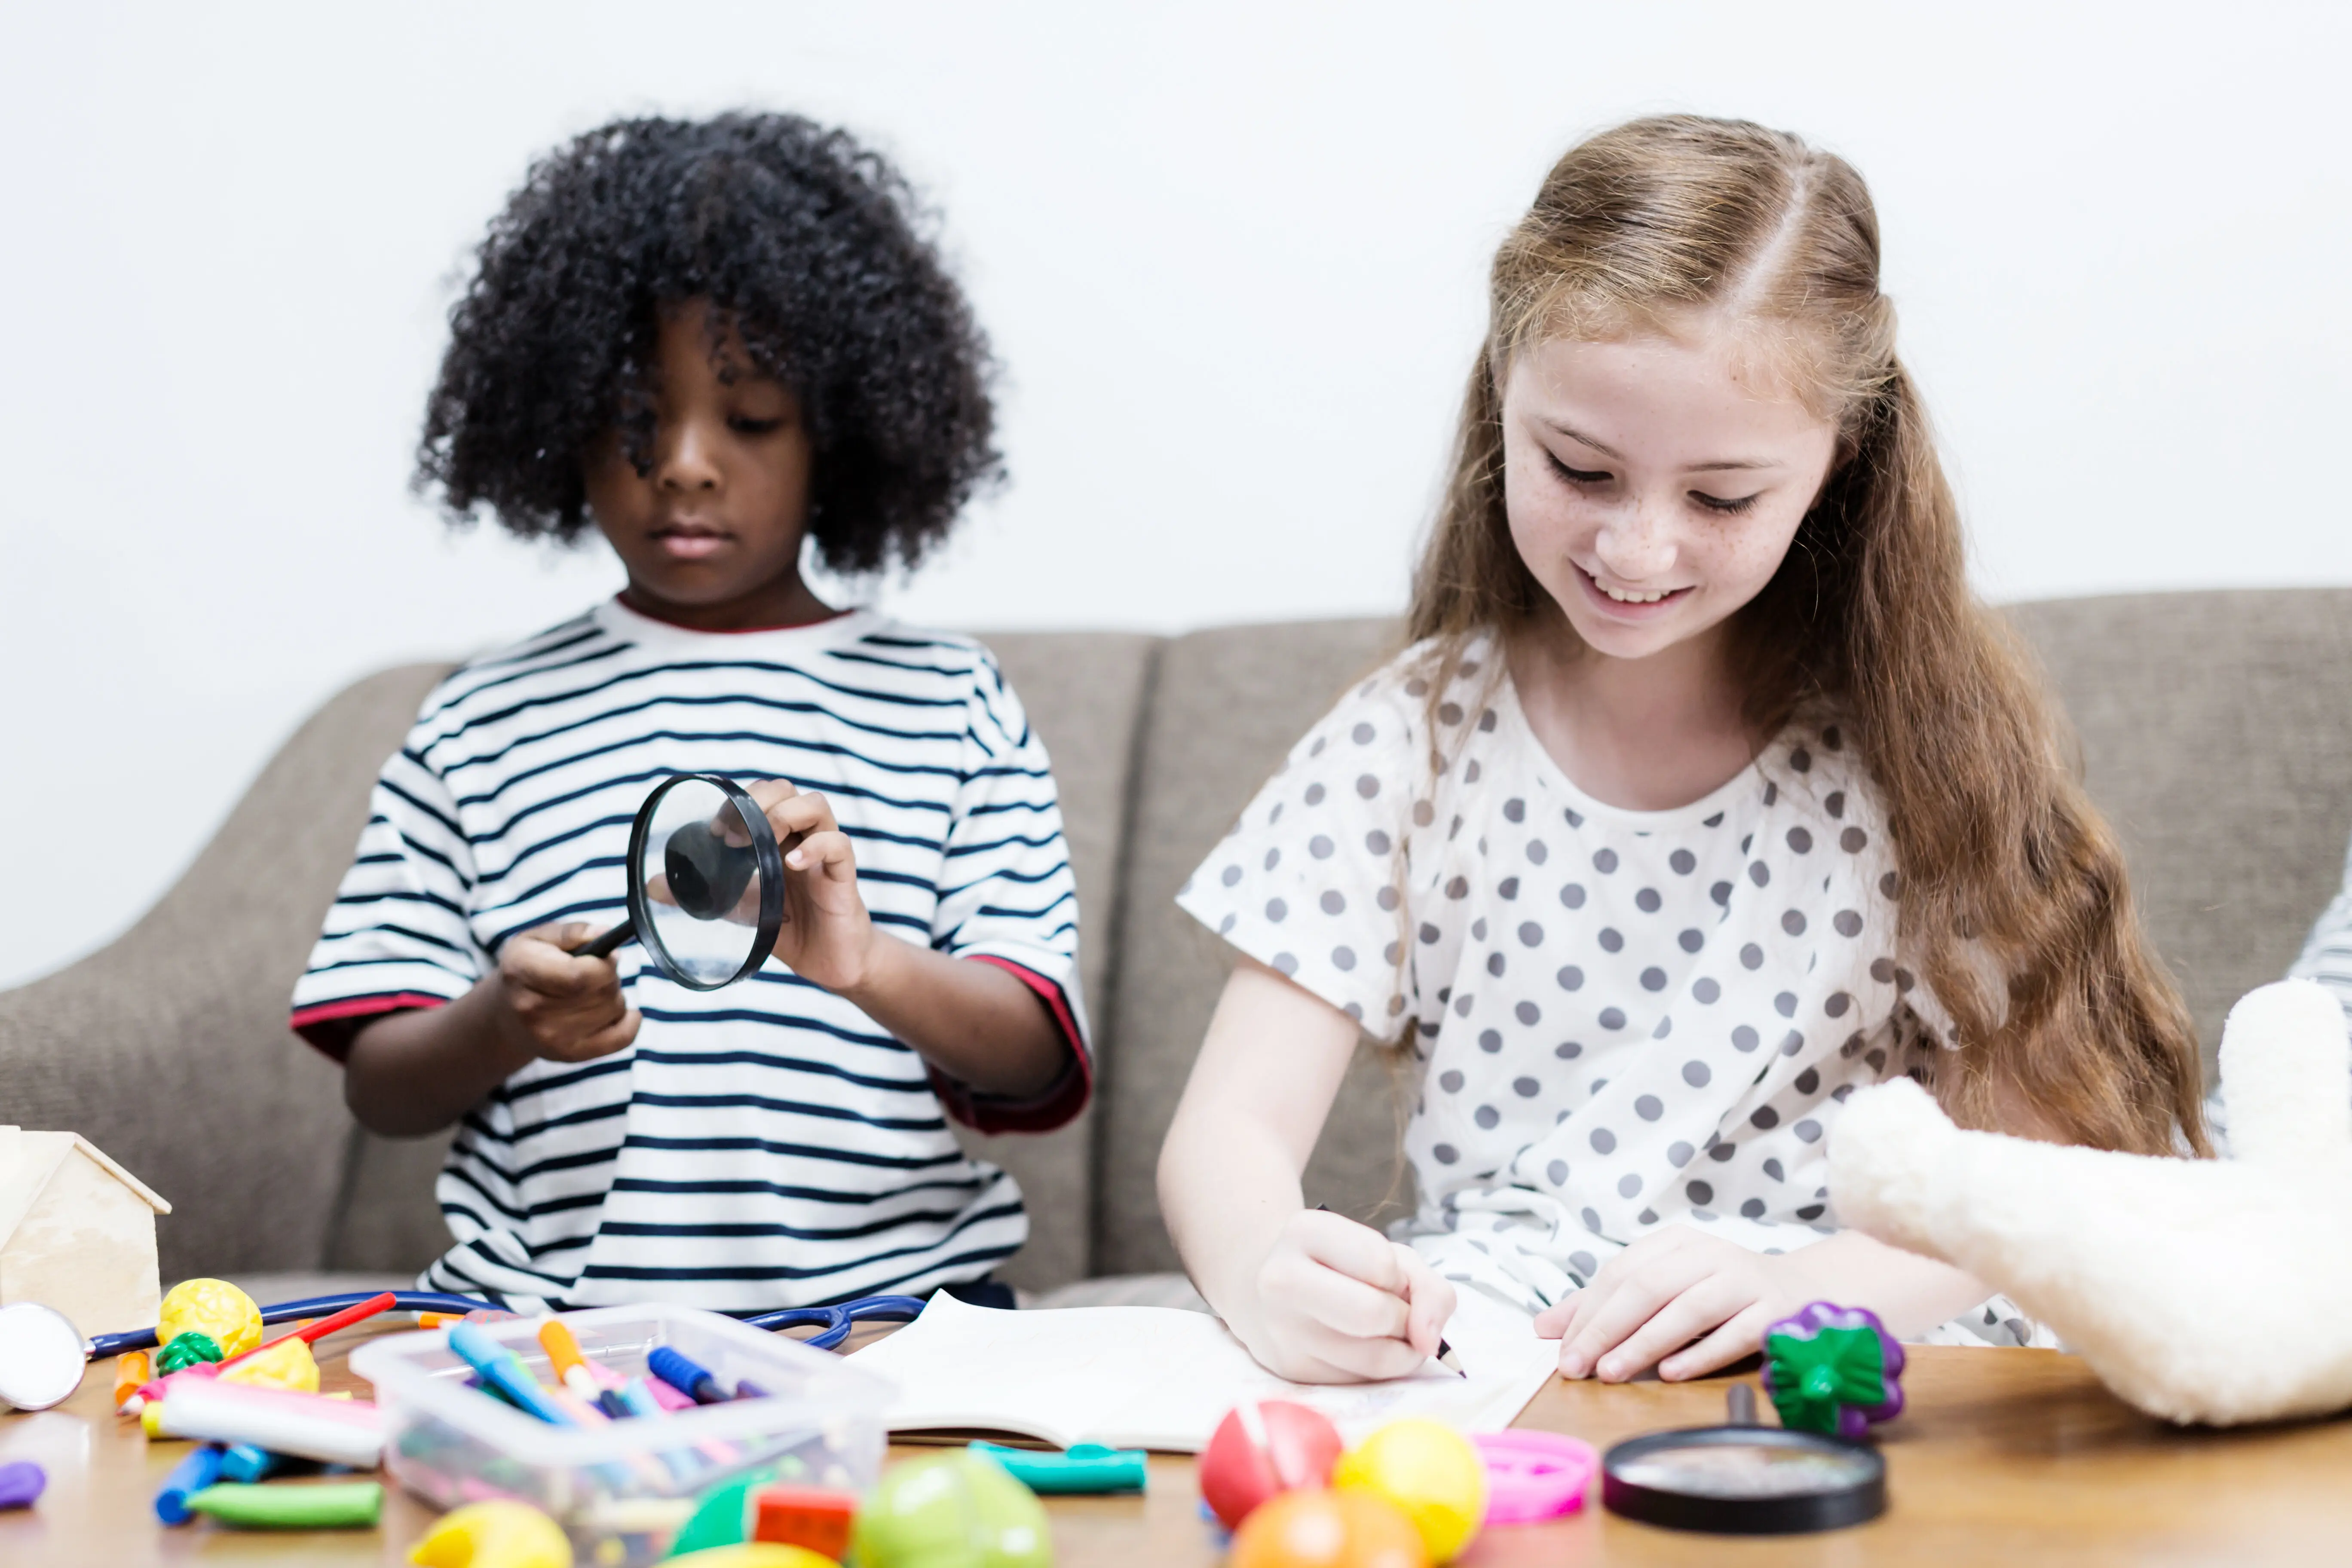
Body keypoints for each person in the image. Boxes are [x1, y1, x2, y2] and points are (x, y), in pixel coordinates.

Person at [1159, 115, 2205, 1386]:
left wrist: (1806, 1290)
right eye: (1580, 468)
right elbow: (1231, 1126)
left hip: (1853, 1333)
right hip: (1523, 1332)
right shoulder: (1411, 740)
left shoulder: (1924, 754)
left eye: (1721, 497)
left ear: (1837, 465)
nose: (1637, 549)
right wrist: (1268, 1269)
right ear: (1504, 400)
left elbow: (2056, 1155)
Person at [291, 114, 1087, 1313]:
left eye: (751, 417)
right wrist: (505, 1019)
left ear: (841, 434)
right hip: (551, 1330)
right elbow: (383, 1090)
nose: (686, 464)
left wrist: (865, 963)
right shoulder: (481, 720)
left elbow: (1029, 1058)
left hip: (895, 1320)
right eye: (633, 420)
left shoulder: (948, 701)